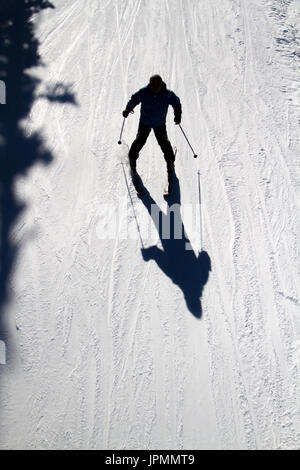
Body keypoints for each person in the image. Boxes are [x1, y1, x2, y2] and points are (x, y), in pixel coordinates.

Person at [122, 75, 182, 177]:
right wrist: (128, 109)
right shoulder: (144, 92)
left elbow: (176, 103)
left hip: (159, 124)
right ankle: (132, 162)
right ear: (149, 84)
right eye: (153, 85)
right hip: (145, 123)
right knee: (139, 142)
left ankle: (170, 164)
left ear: (161, 84)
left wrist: (178, 115)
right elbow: (135, 99)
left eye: (157, 85)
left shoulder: (167, 95)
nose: (155, 87)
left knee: (164, 144)